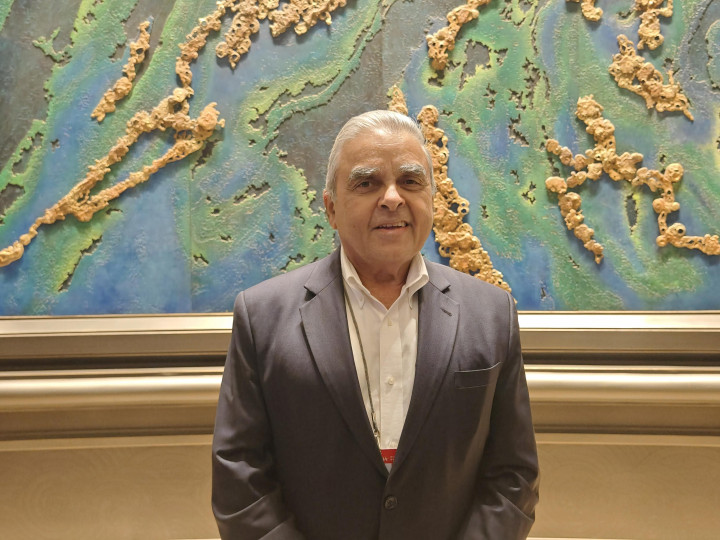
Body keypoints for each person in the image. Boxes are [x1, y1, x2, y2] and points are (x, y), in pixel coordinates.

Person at [212, 110, 539, 539]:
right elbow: (240, 480)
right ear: (331, 208)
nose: (392, 198)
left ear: (432, 199)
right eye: (366, 183)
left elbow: (513, 478)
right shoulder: (262, 317)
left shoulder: (492, 314)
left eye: (410, 181)